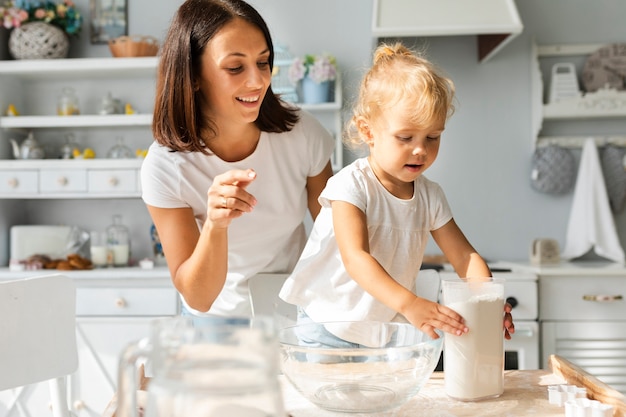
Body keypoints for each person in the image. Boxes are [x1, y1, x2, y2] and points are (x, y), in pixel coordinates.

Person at [279, 42, 515, 345]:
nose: (421, 149)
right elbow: (356, 258)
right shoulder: (350, 186)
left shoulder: (430, 196)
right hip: (327, 323)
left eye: (433, 137)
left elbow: (464, 256)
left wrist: (489, 303)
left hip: (379, 329)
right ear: (368, 132)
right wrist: (410, 304)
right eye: (406, 137)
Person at [141, 0, 335, 320]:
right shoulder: (165, 167)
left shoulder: (302, 133)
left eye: (263, 62)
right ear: (193, 75)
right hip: (217, 320)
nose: (257, 81)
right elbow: (198, 297)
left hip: (295, 308)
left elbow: (338, 236)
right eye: (235, 67)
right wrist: (216, 224)